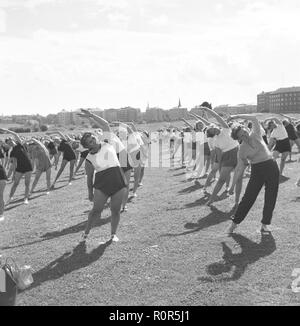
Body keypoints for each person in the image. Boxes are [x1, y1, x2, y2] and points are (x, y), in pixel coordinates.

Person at [227, 114, 280, 235]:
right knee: (248, 198)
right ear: (238, 138)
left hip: (271, 166)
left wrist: (236, 116)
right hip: (257, 171)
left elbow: (254, 119)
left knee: (271, 196)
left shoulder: (255, 134)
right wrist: (232, 186)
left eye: (244, 131)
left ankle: (265, 224)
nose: (245, 134)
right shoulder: (242, 150)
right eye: (241, 135)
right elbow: (239, 169)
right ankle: (234, 223)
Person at [79, 132, 127, 243]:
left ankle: (113, 234)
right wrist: (90, 192)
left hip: (117, 179)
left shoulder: (108, 143)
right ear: (88, 146)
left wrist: (91, 115)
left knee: (115, 210)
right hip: (102, 184)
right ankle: (86, 233)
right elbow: (89, 178)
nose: (93, 140)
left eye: (93, 138)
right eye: (90, 141)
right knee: (96, 210)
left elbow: (105, 125)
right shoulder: (89, 159)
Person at [198, 107, 241, 206]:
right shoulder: (216, 141)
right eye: (212, 130)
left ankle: (236, 200)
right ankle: (212, 199)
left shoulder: (226, 129)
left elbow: (217, 117)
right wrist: (220, 165)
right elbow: (219, 155)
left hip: (238, 153)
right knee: (221, 179)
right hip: (227, 157)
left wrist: (207, 110)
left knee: (238, 178)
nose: (214, 128)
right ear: (212, 134)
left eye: (213, 127)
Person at [0, 128, 33, 205]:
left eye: (10, 141)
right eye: (8, 142)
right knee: (15, 183)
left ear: (13, 140)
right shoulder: (11, 151)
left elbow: (15, 134)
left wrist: (6, 131)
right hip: (19, 168)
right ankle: (10, 198)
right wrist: (14, 174)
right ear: (7, 144)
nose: (10, 142)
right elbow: (14, 163)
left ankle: (25, 198)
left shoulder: (20, 144)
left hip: (28, 166)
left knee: (27, 183)